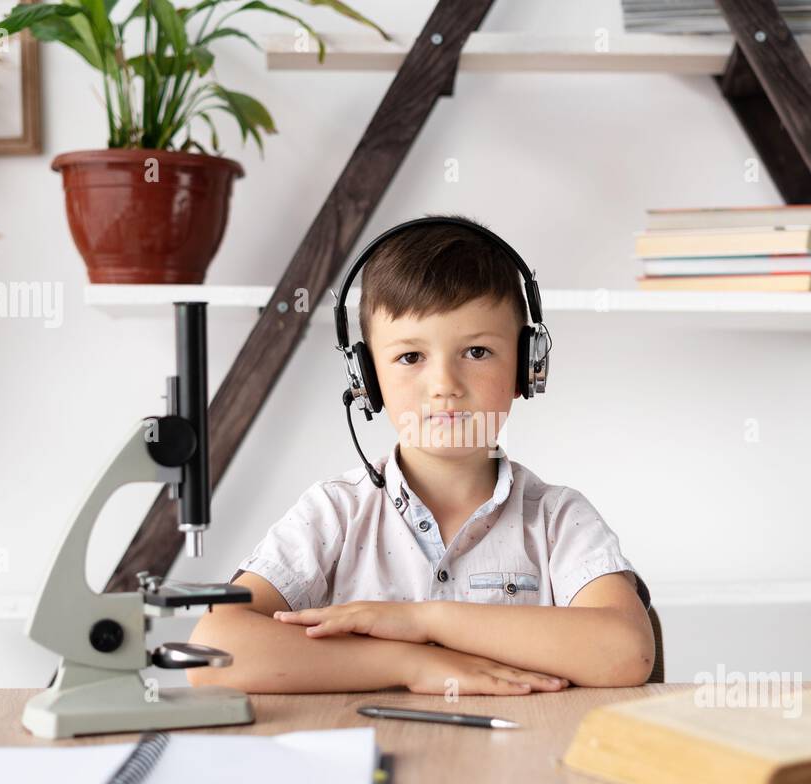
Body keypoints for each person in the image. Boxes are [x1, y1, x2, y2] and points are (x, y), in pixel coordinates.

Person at [189, 214, 653, 695]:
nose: (445, 386)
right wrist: (412, 664)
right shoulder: (334, 514)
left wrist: (425, 620)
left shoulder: (557, 519)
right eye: (411, 357)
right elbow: (212, 652)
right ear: (367, 380)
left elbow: (626, 653)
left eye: (476, 351)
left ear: (526, 367)